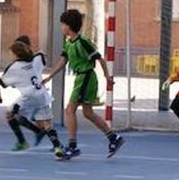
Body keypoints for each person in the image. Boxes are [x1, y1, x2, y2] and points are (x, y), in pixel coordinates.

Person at [42, 9, 124, 159]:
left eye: (63, 24)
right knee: (88, 113)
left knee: (69, 110)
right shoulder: (69, 44)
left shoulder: (83, 42)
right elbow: (63, 61)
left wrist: (107, 77)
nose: (62, 27)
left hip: (86, 77)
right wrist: (50, 76)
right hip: (81, 78)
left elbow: (100, 59)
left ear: (69, 26)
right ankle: (113, 138)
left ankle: (72, 146)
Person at [0, 39, 65, 159]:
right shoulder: (35, 60)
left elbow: (2, 83)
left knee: (10, 114)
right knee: (47, 124)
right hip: (42, 95)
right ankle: (58, 147)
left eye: (11, 53)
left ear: (16, 54)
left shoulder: (14, 67)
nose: (10, 56)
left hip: (28, 97)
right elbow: (42, 55)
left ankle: (22, 141)